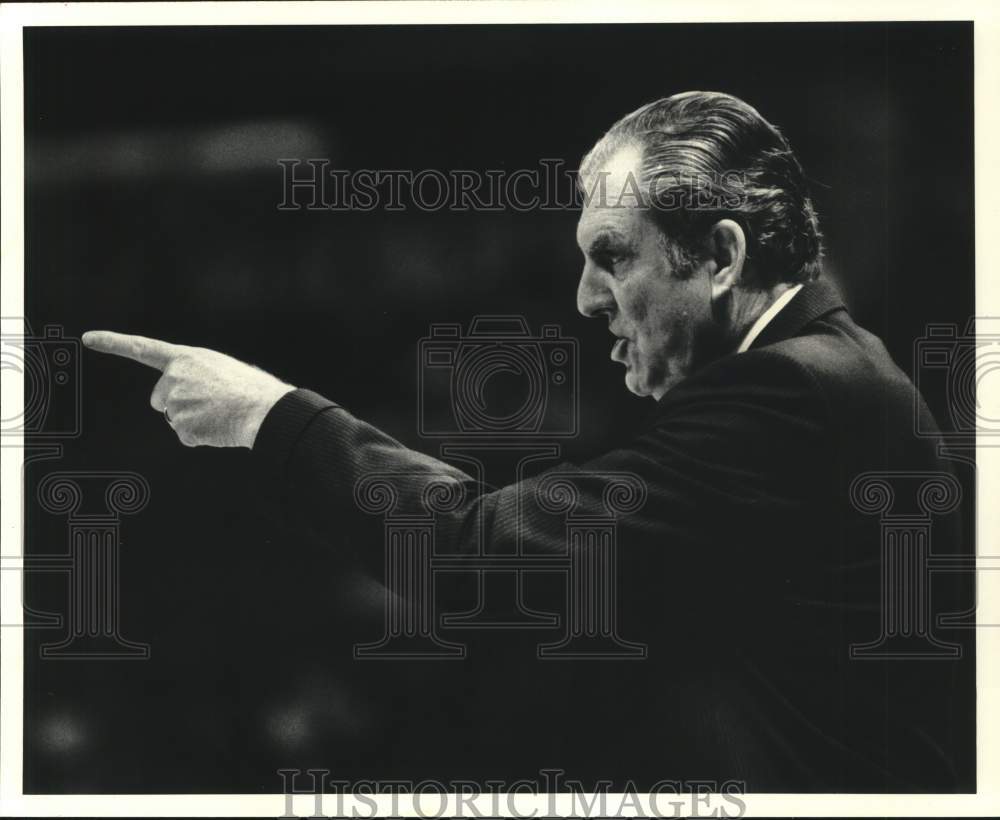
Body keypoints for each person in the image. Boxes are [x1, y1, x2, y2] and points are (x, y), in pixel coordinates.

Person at [82, 91, 972, 791]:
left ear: (723, 257)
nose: (586, 299)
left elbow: (478, 554)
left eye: (613, 256)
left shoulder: (792, 392)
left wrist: (267, 416)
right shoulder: (830, 375)